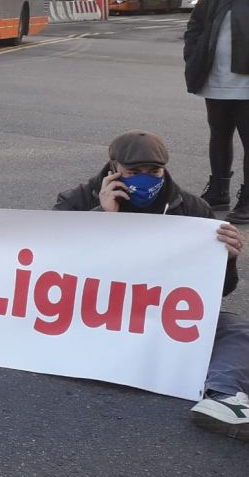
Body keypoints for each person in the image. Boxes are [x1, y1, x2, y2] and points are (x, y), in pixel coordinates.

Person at [52, 130, 249, 442]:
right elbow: (50, 264)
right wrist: (102, 218)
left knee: (236, 330)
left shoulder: (193, 209)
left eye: (153, 172)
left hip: (158, 312)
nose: (145, 179)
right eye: (133, 173)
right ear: (112, 167)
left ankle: (225, 399)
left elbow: (219, 291)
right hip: (95, 309)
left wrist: (227, 259)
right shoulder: (77, 200)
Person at [185, 0, 249, 223]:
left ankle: (248, 200)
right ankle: (219, 190)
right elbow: (197, 23)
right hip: (216, 76)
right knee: (219, 136)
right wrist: (193, 55)